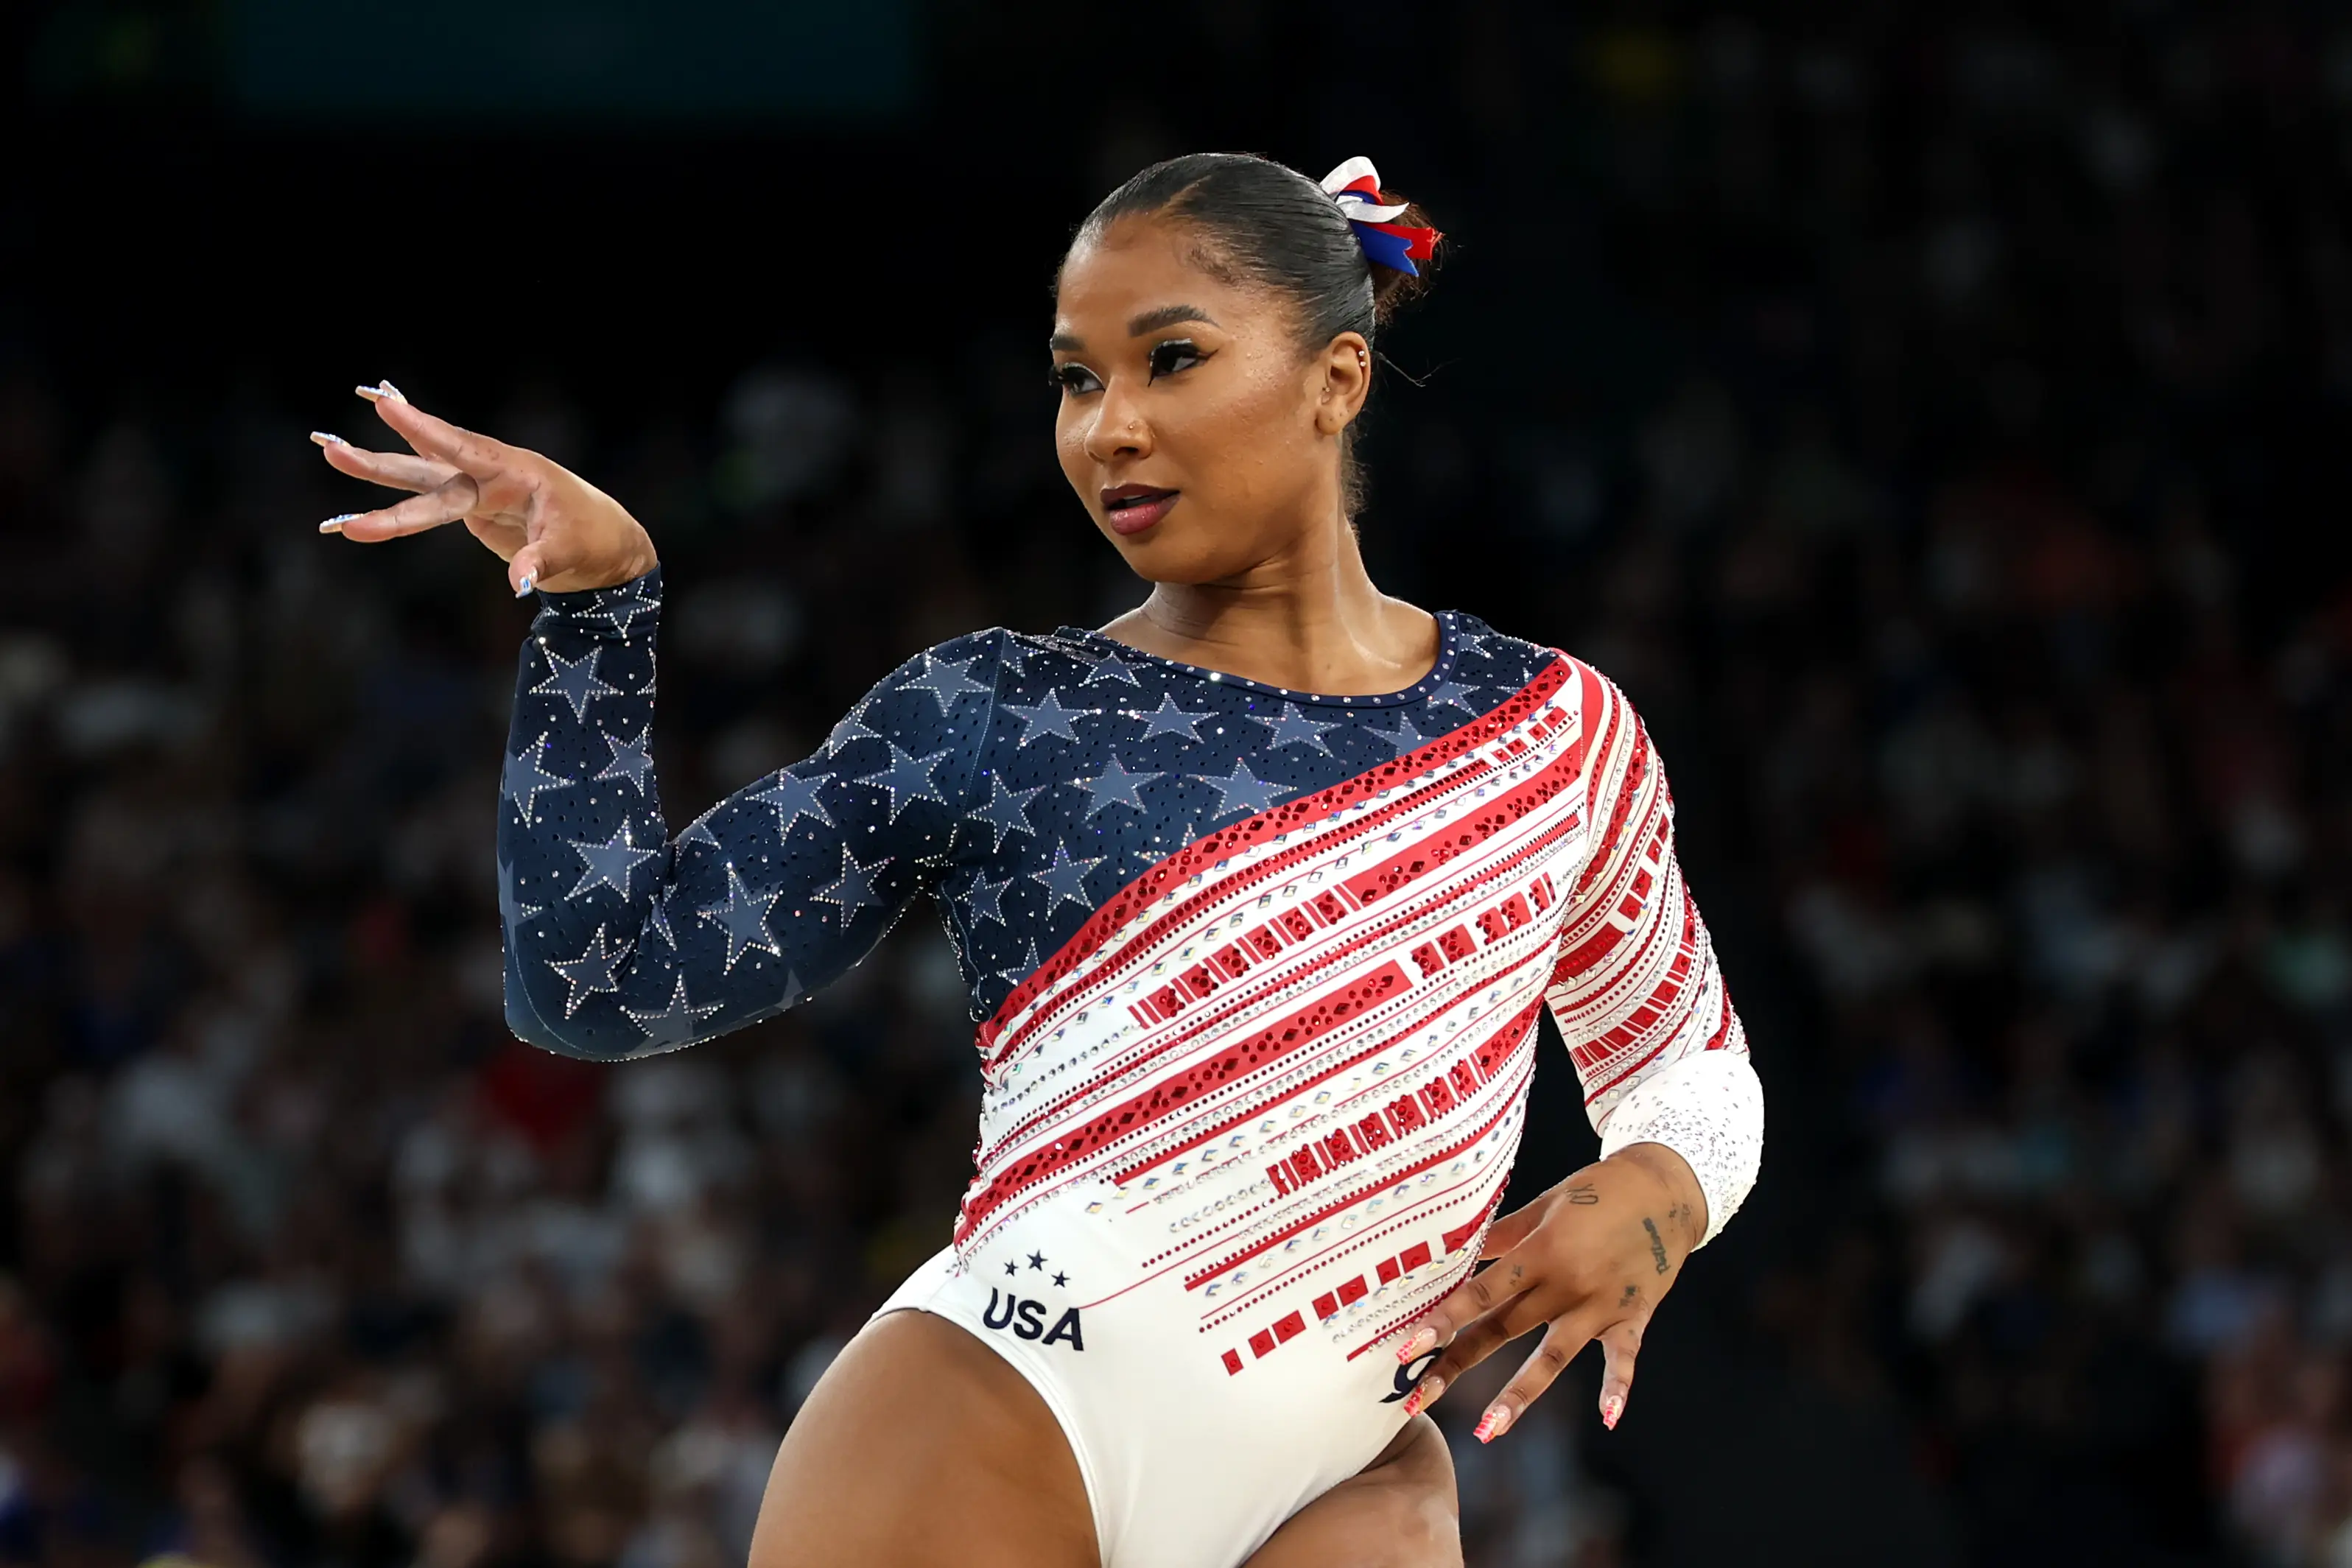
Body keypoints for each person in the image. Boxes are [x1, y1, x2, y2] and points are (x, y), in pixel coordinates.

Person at [312, 152, 1763, 1568]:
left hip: (1348, 1481)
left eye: (1171, 360)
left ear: (1336, 379)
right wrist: (596, 611)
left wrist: (1660, 1188)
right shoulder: (997, 711)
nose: (1108, 429)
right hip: (999, 1418)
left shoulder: (1553, 730)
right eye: (1077, 379)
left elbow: (1687, 1068)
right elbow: (596, 984)